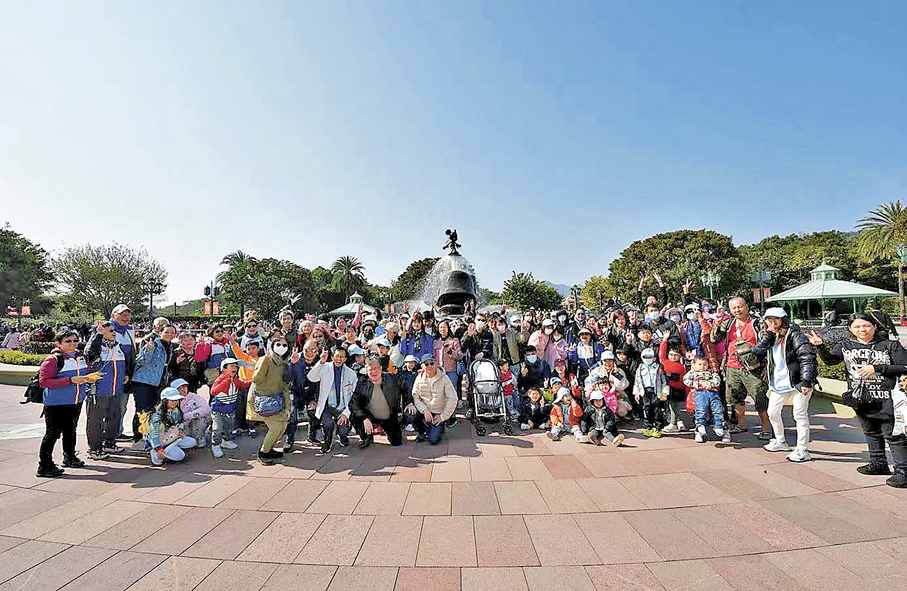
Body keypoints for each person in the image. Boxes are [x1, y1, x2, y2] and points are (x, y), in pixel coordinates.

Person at [808, 315, 907, 488]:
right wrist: (820, 346)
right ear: (850, 329)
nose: (862, 330)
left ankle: (903, 472)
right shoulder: (845, 345)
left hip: (887, 397)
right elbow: (831, 361)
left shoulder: (890, 345)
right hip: (861, 397)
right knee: (870, 431)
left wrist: (877, 368)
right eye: (857, 327)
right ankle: (878, 463)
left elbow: (904, 366)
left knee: (893, 435)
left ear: (874, 327)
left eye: (866, 326)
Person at [752, 308, 818, 462]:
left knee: (799, 415)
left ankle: (802, 450)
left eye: (776, 319)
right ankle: (780, 441)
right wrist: (767, 337)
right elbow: (757, 352)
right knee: (772, 412)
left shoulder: (795, 335)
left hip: (798, 382)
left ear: (784, 320)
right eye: (769, 319)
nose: (772, 322)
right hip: (779, 382)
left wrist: (806, 381)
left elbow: (807, 357)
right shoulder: (768, 335)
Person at [37, 330, 98, 477]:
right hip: (56, 403)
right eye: (68, 341)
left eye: (75, 340)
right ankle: (44, 465)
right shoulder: (52, 360)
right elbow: (44, 382)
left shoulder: (80, 357)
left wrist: (88, 378)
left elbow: (84, 373)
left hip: (75, 401)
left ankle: (70, 457)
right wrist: (70, 380)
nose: (73, 344)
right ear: (58, 343)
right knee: (52, 433)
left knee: (70, 430)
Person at [709, 297, 771, 438]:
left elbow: (768, 345)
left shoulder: (758, 323)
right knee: (735, 399)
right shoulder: (729, 323)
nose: (737, 310)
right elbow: (714, 339)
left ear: (747, 307)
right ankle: (740, 425)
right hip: (732, 367)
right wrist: (717, 322)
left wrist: (766, 367)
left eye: (740, 307)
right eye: (734, 308)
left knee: (760, 399)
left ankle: (766, 429)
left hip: (753, 368)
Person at [84, 321, 129, 460]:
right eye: (110, 331)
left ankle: (110, 443)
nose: (114, 333)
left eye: (114, 330)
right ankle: (95, 449)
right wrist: (98, 336)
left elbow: (122, 363)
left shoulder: (117, 347)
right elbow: (90, 354)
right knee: (95, 421)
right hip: (98, 392)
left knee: (114, 418)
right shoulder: (96, 347)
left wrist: (126, 373)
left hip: (115, 390)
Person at [247, 336, 293, 464]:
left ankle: (269, 448)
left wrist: (287, 406)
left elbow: (284, 386)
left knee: (282, 426)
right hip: (263, 400)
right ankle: (263, 452)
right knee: (275, 427)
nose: (281, 347)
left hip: (277, 399)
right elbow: (256, 379)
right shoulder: (265, 359)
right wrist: (264, 362)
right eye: (278, 344)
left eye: (285, 345)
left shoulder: (284, 363)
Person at [351, 356, 414, 448]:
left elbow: (406, 389)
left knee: (396, 442)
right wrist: (364, 418)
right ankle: (366, 436)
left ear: (381, 368)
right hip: (370, 415)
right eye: (370, 369)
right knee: (355, 417)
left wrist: (409, 403)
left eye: (376, 368)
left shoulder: (392, 379)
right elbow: (354, 403)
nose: (374, 372)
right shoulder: (362, 382)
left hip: (389, 415)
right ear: (366, 370)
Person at [307, 346, 358, 453]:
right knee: (327, 424)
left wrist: (346, 413)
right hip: (328, 406)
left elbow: (354, 396)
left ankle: (342, 435)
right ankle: (327, 442)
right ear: (332, 357)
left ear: (345, 359)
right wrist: (321, 362)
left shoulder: (351, 373)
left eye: (342, 357)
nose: (339, 359)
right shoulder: (325, 367)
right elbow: (311, 377)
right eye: (337, 356)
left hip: (343, 407)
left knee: (344, 428)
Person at [131, 325, 176, 445]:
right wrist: (148, 350)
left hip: (157, 383)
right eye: (166, 332)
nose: (170, 334)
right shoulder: (154, 344)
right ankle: (138, 436)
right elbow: (140, 361)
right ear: (160, 333)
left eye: (172, 332)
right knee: (142, 410)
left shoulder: (170, 347)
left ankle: (149, 435)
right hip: (144, 381)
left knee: (153, 410)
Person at [283, 339, 323, 449]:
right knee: (292, 417)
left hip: (312, 392)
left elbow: (321, 382)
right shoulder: (296, 357)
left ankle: (312, 437)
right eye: (306, 350)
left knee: (314, 413)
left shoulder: (320, 361)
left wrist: (315, 400)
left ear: (317, 350)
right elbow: (286, 378)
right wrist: (291, 364)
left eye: (313, 350)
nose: (310, 353)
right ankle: (289, 441)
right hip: (295, 392)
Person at [411, 353, 458, 444]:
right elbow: (415, 396)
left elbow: (453, 398)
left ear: (436, 363)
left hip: (438, 412)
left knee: (433, 440)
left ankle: (439, 426)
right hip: (425, 411)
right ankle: (422, 431)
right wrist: (424, 410)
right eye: (426, 364)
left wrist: (443, 416)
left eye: (432, 363)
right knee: (411, 413)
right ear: (422, 366)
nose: (429, 366)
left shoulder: (444, 378)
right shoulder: (419, 379)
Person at [209, 358, 249, 458]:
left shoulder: (235, 380)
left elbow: (243, 385)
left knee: (229, 426)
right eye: (231, 366)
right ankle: (215, 445)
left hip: (230, 409)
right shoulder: (220, 379)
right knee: (217, 428)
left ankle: (226, 441)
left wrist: (253, 381)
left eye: (235, 366)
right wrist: (225, 382)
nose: (234, 368)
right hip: (218, 409)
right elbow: (213, 391)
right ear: (224, 369)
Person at [148, 388, 197, 466]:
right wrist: (157, 448)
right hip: (162, 441)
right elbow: (154, 433)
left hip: (173, 438)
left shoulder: (177, 411)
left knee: (192, 442)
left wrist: (180, 430)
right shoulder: (157, 415)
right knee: (178, 456)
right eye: (172, 400)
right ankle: (156, 452)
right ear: (165, 401)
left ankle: (172, 449)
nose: (175, 402)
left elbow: (180, 423)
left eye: (176, 400)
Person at [683, 356, 725, 443]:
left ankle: (718, 425)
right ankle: (700, 425)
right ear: (694, 365)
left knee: (718, 409)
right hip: (700, 393)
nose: (702, 366)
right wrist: (696, 384)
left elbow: (717, 380)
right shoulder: (692, 373)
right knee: (701, 409)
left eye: (705, 364)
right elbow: (685, 380)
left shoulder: (711, 373)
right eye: (700, 364)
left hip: (712, 392)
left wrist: (709, 384)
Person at [109, 304, 136, 440]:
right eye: (123, 315)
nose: (127, 318)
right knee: (111, 406)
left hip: (126, 375)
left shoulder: (129, 330)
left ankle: (117, 431)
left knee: (122, 405)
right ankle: (110, 433)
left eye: (128, 315)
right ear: (114, 315)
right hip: (112, 375)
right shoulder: (107, 329)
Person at [634, 347, 669, 438]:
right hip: (645, 392)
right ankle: (649, 427)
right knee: (647, 410)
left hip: (656, 392)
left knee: (657, 410)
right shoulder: (640, 368)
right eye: (645, 357)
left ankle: (658, 428)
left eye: (650, 357)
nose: (648, 359)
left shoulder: (658, 367)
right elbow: (637, 381)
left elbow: (664, 381)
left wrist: (664, 393)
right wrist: (637, 393)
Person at [658, 339, 689, 433]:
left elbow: (683, 381)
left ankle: (672, 423)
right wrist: (664, 341)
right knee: (665, 404)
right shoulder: (664, 362)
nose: (673, 357)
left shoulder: (681, 367)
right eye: (671, 354)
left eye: (676, 355)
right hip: (664, 389)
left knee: (674, 406)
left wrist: (686, 392)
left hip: (676, 390)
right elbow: (661, 353)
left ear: (679, 356)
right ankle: (677, 421)